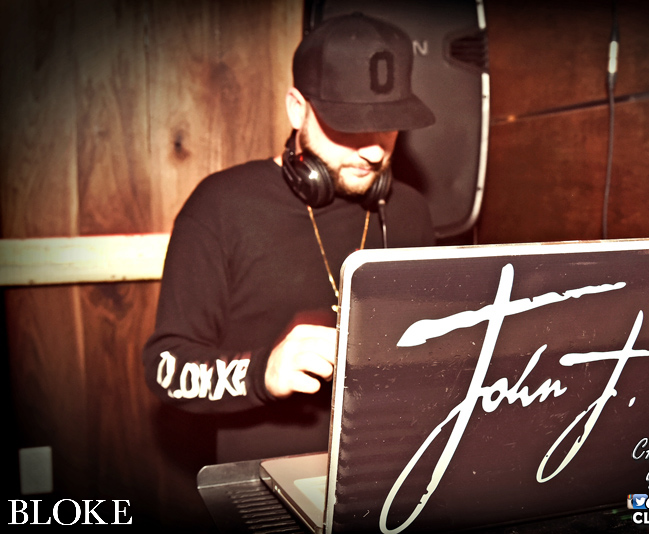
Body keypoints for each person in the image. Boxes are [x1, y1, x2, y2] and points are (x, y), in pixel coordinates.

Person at [142, 12, 436, 464]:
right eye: (352, 124)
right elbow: (166, 368)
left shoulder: (410, 209)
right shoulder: (221, 205)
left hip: (391, 466)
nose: (375, 150)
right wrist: (264, 372)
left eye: (391, 124)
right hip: (265, 474)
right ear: (297, 108)